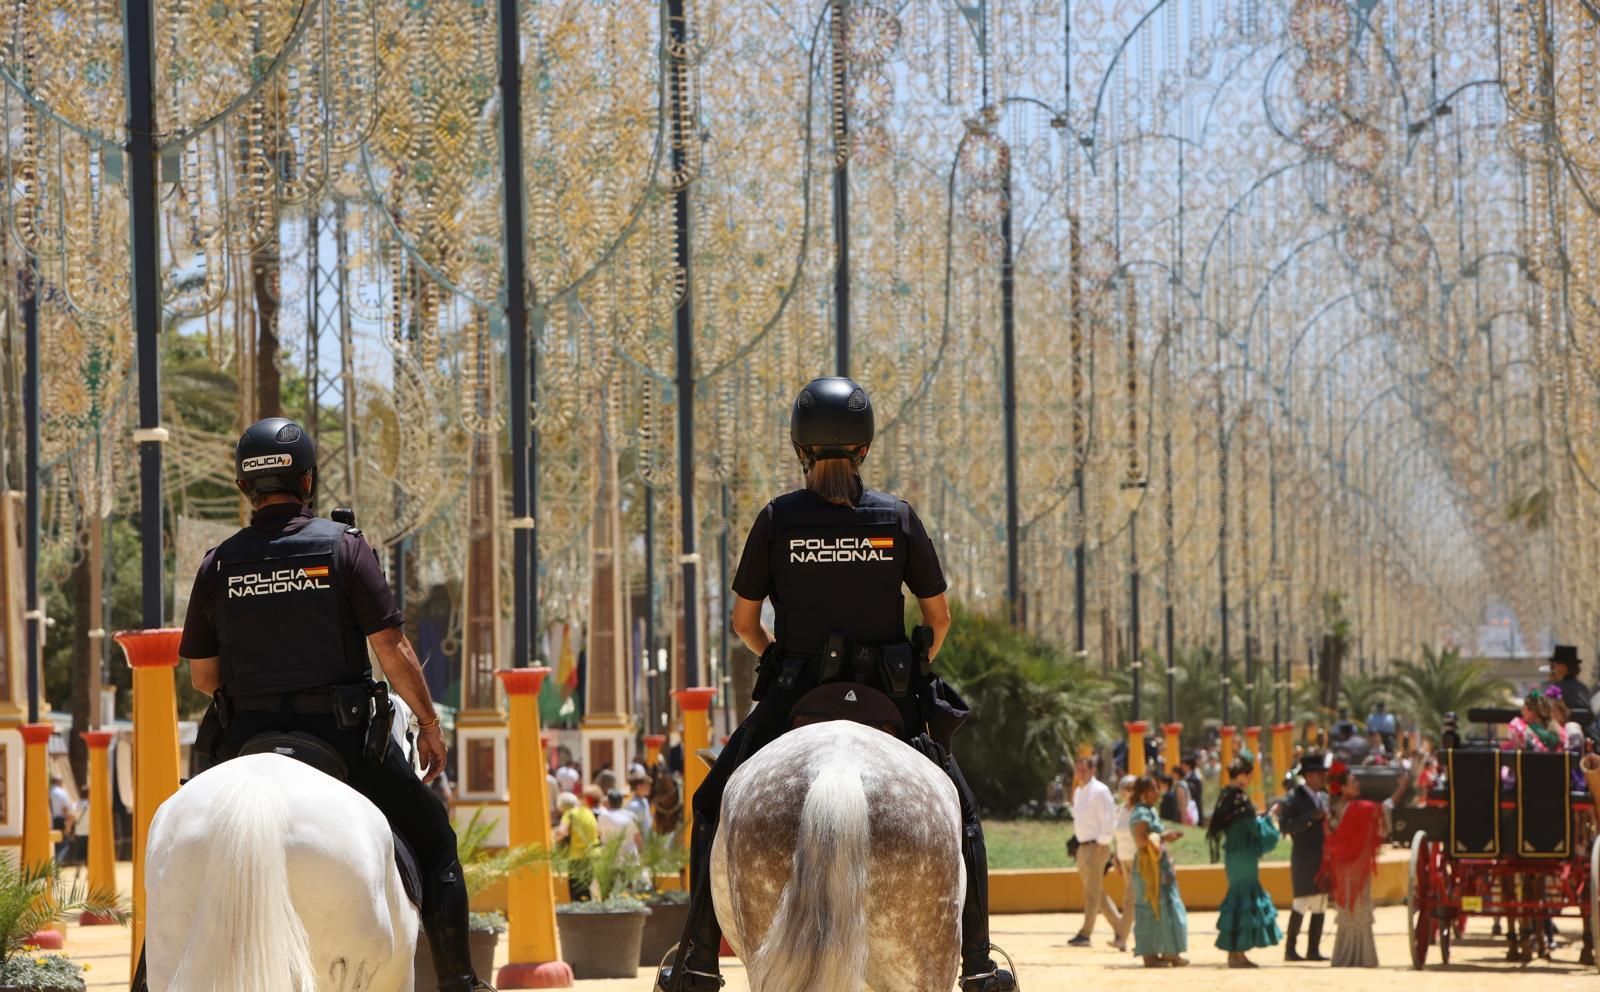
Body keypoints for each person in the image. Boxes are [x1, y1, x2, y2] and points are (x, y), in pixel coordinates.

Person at [656, 377, 1014, 992]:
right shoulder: (896, 518)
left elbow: (744, 622)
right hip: (889, 698)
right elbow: (939, 617)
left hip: (797, 696)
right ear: (864, 450)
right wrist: (917, 659)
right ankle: (980, 963)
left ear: (801, 450)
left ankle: (695, 958)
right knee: (965, 816)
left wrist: (777, 657)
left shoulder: (777, 519)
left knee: (711, 804)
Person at [177, 417, 490, 992]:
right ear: (309, 480)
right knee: (438, 846)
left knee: (179, 850)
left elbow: (202, 677)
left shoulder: (218, 563)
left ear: (246, 487)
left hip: (244, 736)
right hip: (341, 739)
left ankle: (150, 974)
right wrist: (427, 722)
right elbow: (392, 650)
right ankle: (460, 982)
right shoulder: (344, 548)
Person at [1320, 762, 1405, 967]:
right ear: (1343, 787)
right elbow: (1384, 809)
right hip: (1357, 868)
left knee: (1346, 909)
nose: (1358, 784)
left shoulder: (1332, 811)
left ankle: (1343, 956)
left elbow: (1330, 840)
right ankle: (1361, 957)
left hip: (1341, 870)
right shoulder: (1359, 809)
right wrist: (1401, 788)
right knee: (1358, 907)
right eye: (1353, 781)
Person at [1209, 757, 1282, 967]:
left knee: (1237, 898)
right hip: (1244, 855)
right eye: (1248, 774)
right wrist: (1269, 820)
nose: (1249, 779)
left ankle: (1234, 952)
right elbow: (1253, 828)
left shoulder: (1226, 796)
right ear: (1241, 774)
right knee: (1245, 899)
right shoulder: (1240, 798)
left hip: (1233, 854)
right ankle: (1238, 953)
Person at [1129, 775, 1188, 967]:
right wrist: (1164, 836)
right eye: (1154, 789)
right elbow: (1141, 841)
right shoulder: (1140, 814)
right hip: (1148, 869)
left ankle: (1171, 952)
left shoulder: (1150, 811)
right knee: (1151, 907)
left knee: (1167, 907)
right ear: (1144, 793)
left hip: (1160, 866)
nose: (1158, 792)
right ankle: (1150, 954)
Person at [1275, 752, 1329, 962]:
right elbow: (1285, 826)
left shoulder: (1324, 797)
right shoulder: (1293, 798)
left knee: (1320, 903)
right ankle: (1290, 949)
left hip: (1321, 857)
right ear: (1308, 776)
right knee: (1301, 902)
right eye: (1319, 773)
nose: (1323, 777)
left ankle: (1313, 949)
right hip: (1304, 858)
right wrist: (1309, 818)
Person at [1069, 754, 1122, 947]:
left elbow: (1109, 818)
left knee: (1091, 893)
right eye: (1078, 769)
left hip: (1097, 846)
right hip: (1083, 847)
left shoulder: (1100, 791)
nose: (1080, 773)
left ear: (1093, 770)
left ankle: (1085, 933)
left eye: (1084, 769)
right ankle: (1120, 928)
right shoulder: (1079, 792)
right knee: (1095, 892)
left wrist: (1103, 842)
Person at [1110, 775, 1139, 952]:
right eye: (1125, 788)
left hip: (1137, 859)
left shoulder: (1139, 811)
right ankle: (1125, 936)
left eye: (1131, 788)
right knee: (1132, 900)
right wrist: (1115, 858)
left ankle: (1121, 937)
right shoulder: (1120, 810)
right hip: (1123, 857)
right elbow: (1116, 835)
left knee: (1129, 899)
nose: (1128, 792)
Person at [553, 791, 598, 902]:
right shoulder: (588, 812)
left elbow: (561, 832)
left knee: (576, 892)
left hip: (577, 857)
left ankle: (579, 918)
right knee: (586, 890)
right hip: (592, 855)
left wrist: (554, 839)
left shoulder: (569, 814)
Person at [1545, 644, 1590, 718]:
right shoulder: (1583, 688)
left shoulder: (1557, 688)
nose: (1553, 668)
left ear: (1563, 667)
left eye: (1555, 665)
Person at [48, 775, 74, 865]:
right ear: (59, 782)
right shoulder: (62, 793)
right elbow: (65, 809)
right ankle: (57, 864)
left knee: (53, 845)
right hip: (60, 821)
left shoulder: (48, 792)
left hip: (51, 821)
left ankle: (52, 864)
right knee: (63, 844)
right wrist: (68, 824)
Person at [625, 767, 654, 836]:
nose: (649, 788)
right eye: (647, 785)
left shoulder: (645, 801)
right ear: (639, 786)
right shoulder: (633, 806)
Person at [1180, 753, 1205, 826]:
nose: (1182, 767)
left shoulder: (1195, 779)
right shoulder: (1186, 777)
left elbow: (1196, 795)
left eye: (1183, 765)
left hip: (1193, 807)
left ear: (1188, 766)